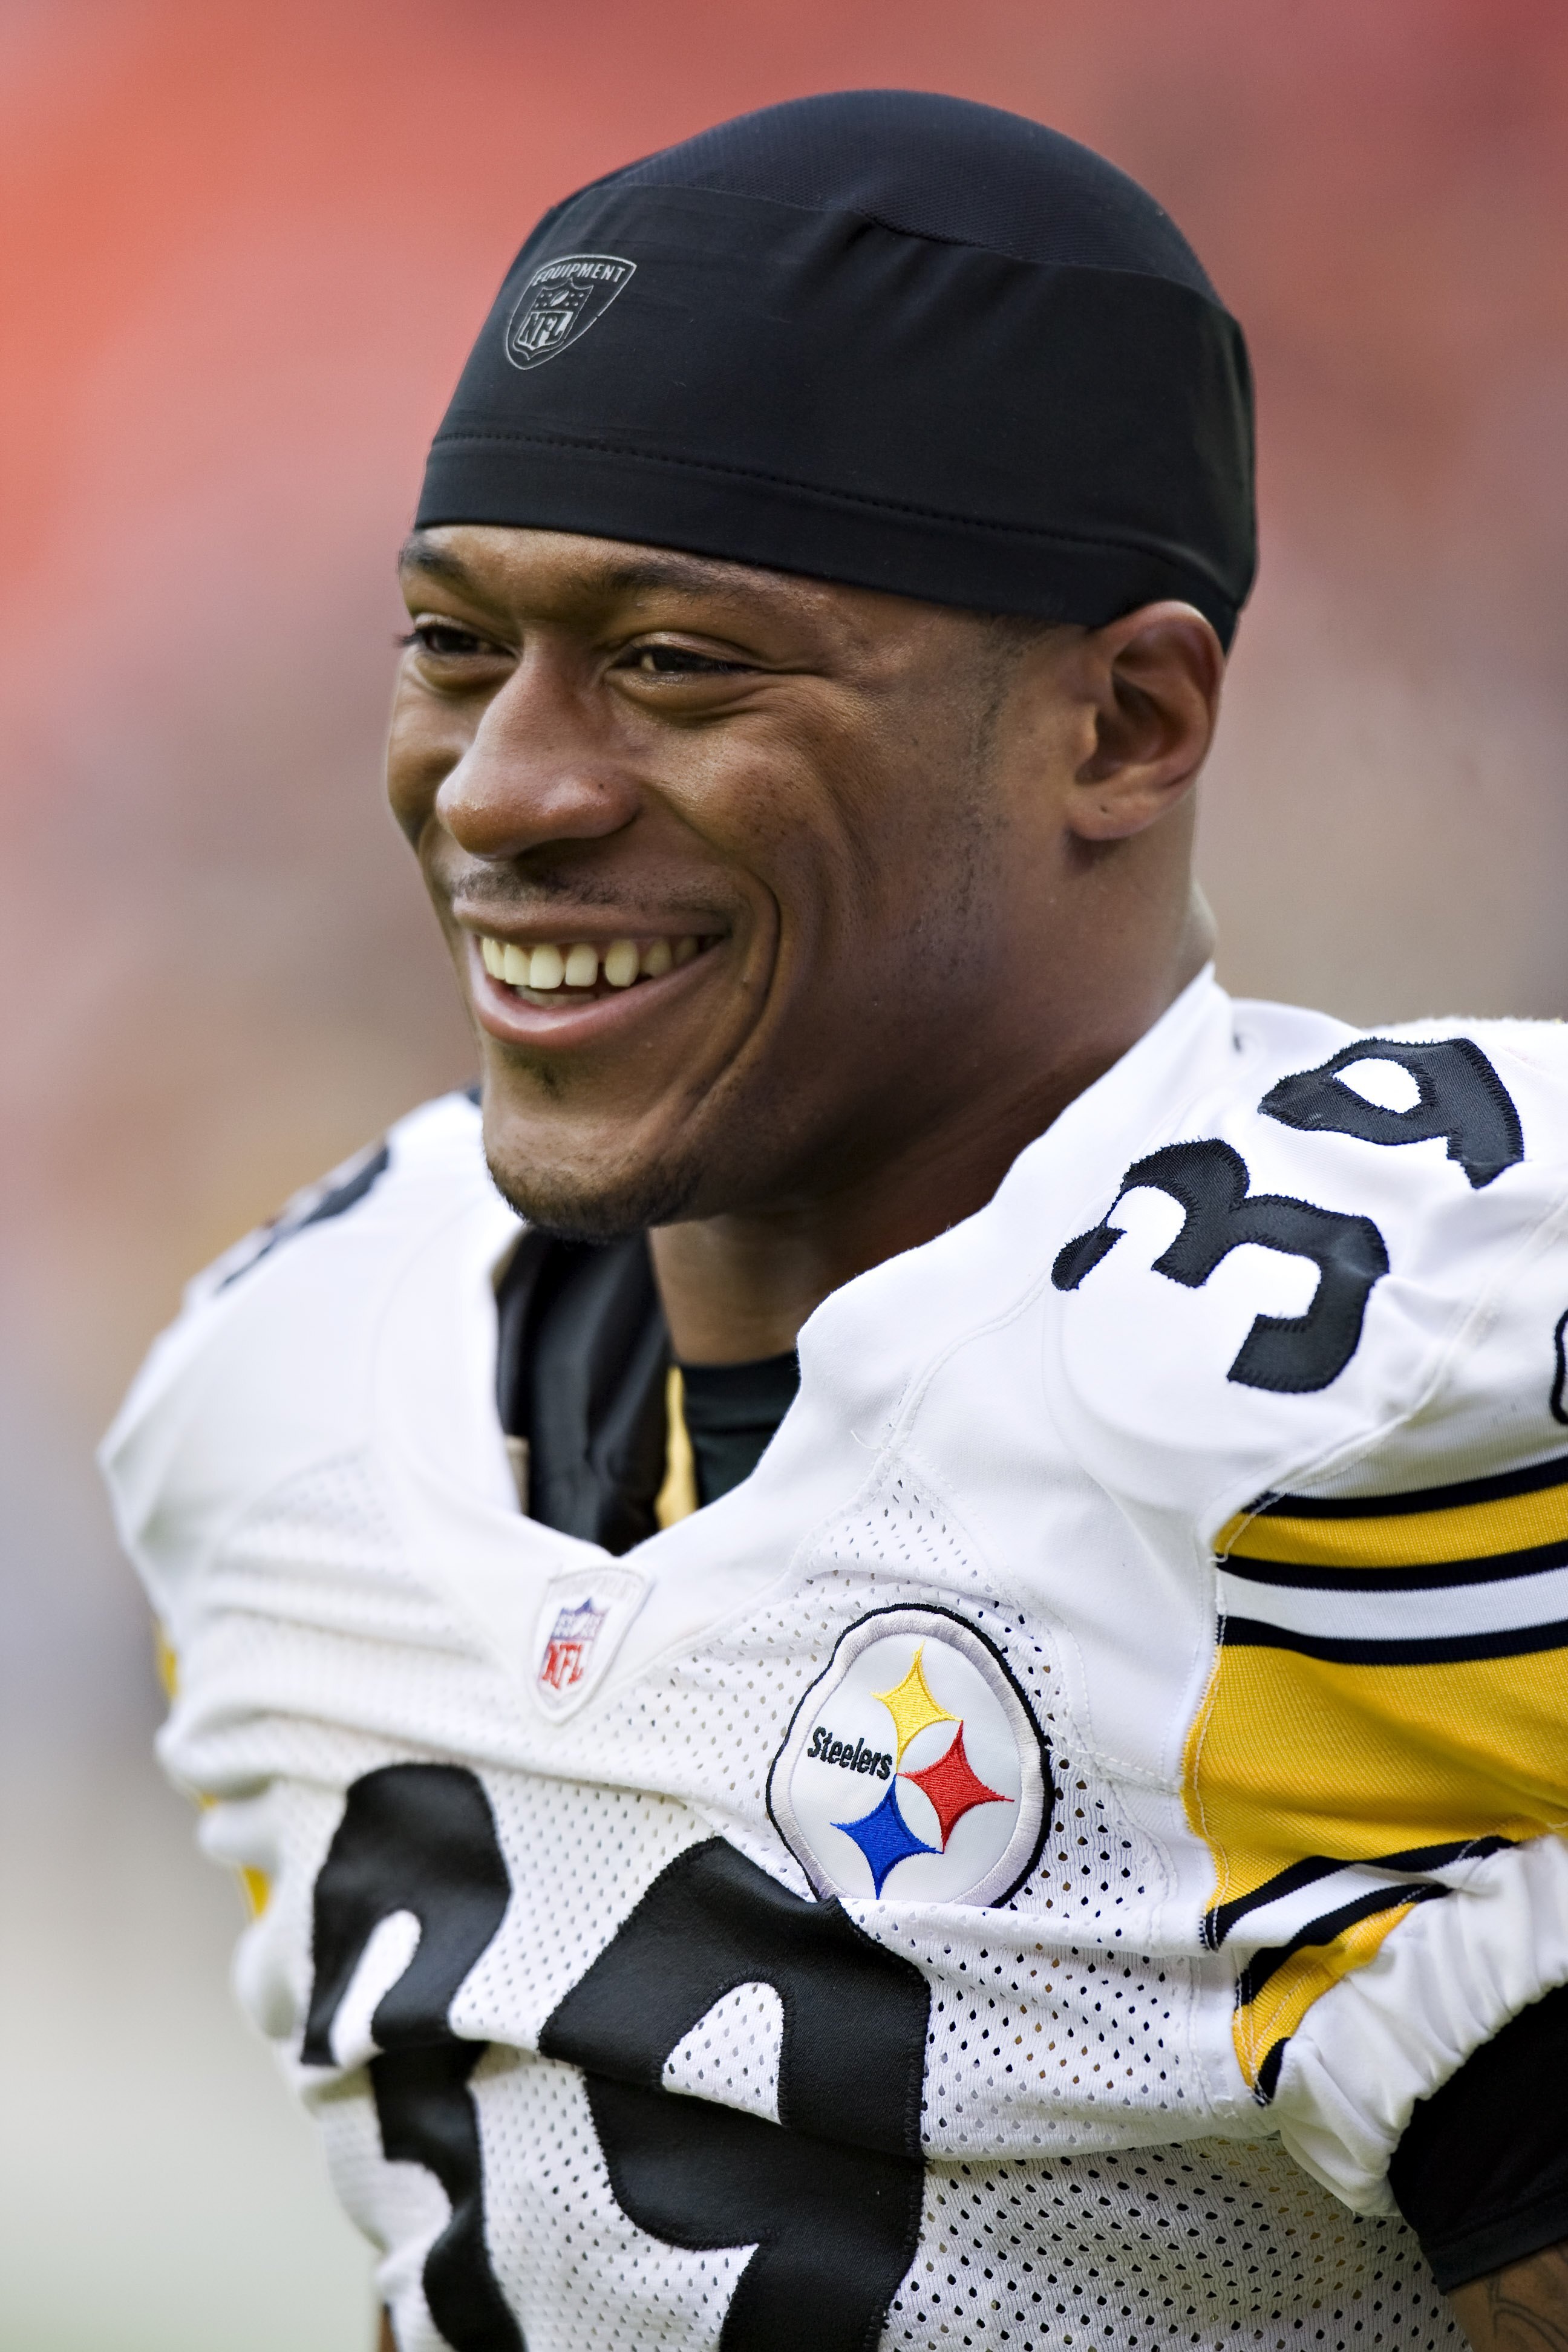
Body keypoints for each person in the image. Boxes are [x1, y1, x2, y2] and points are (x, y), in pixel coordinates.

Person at [103, 91, 1568, 2352]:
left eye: (680, 662)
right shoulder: (282, 1387)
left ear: (1127, 722)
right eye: (454, 647)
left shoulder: (1352, 1395)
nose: (503, 787)